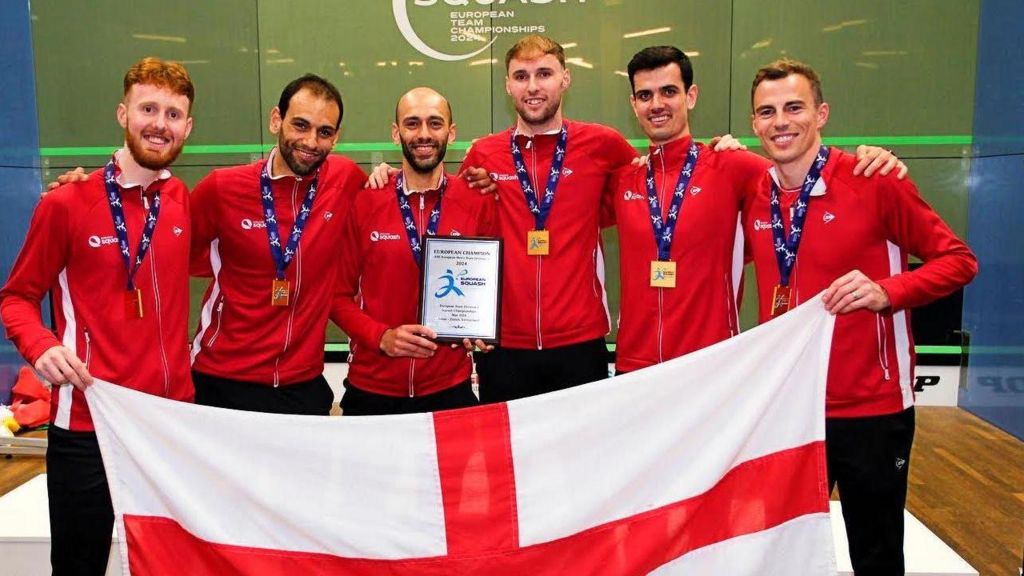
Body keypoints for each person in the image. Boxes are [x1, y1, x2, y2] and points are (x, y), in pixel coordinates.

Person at [744, 58, 978, 574]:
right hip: (790, 407)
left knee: (874, 553)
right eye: (767, 112)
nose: (781, 121)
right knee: (781, 551)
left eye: (794, 107)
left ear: (821, 113)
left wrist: (887, 291)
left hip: (872, 410)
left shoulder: (874, 180)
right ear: (754, 125)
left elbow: (959, 261)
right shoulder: (756, 196)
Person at [0, 57, 195, 576]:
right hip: (89, 420)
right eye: (148, 108)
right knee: (79, 564)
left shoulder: (181, 200)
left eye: (173, 114)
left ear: (189, 127)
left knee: (170, 563)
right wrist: (41, 347)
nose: (160, 123)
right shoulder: (67, 203)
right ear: (122, 113)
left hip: (168, 423)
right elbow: (16, 297)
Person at [612, 46, 905, 374]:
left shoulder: (733, 165)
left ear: (690, 96)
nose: (657, 105)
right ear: (633, 104)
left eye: (669, 91)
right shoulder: (624, 179)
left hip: (710, 364)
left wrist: (874, 158)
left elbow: (805, 174)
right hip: (633, 367)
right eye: (645, 95)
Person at [456, 35, 641, 402]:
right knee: (507, 458)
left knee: (582, 456)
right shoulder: (483, 153)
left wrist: (714, 151)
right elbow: (453, 228)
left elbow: (655, 184)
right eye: (521, 76)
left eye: (544, 73)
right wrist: (390, 176)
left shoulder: (603, 144)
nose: (533, 86)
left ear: (565, 79)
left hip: (580, 341)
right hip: (503, 346)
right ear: (508, 85)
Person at [188, 74, 367, 415]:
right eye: (300, 125)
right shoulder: (222, 188)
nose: (311, 141)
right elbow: (170, 252)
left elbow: (393, 204)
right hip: (222, 380)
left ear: (336, 137)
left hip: (302, 384)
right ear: (276, 120)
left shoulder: (345, 179)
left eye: (324, 132)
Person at [332, 87, 496, 415]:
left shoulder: (477, 200)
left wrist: (481, 330)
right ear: (396, 133)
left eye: (435, 124)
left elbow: (494, 286)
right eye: (412, 124)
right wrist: (381, 337)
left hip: (450, 390)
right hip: (371, 389)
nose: (423, 134)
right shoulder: (365, 201)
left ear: (451, 132)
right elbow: (336, 296)